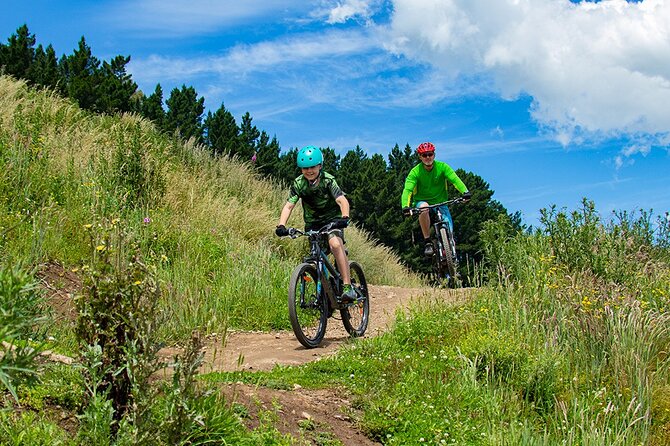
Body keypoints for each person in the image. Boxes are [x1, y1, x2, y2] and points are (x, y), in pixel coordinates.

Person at [275, 145, 357, 302]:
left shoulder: (328, 181)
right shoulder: (299, 184)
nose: (309, 171)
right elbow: (289, 205)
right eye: (305, 168)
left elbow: (341, 200)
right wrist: (281, 225)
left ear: (320, 165)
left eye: (312, 167)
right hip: (313, 223)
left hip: (333, 220)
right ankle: (325, 295)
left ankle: (347, 286)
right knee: (316, 257)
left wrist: (345, 217)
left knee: (334, 244)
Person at [401, 141, 471, 256]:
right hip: (422, 201)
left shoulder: (443, 167)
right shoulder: (415, 172)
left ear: (434, 154)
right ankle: (428, 241)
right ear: (420, 157)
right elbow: (407, 190)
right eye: (424, 155)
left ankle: (450, 255)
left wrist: (465, 192)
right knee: (424, 208)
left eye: (430, 154)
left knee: (449, 232)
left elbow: (455, 180)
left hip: (441, 202)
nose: (427, 157)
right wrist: (405, 206)